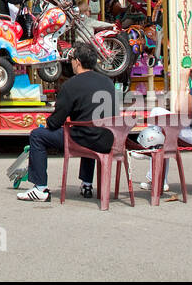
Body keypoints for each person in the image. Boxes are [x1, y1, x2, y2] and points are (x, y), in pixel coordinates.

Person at [16, 43, 117, 202]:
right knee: (89, 128)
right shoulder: (108, 82)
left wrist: (47, 124)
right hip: (107, 139)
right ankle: (87, 184)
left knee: (37, 135)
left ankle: (40, 188)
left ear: (77, 61)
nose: (71, 63)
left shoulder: (71, 85)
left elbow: (56, 121)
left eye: (71, 60)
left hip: (83, 138)